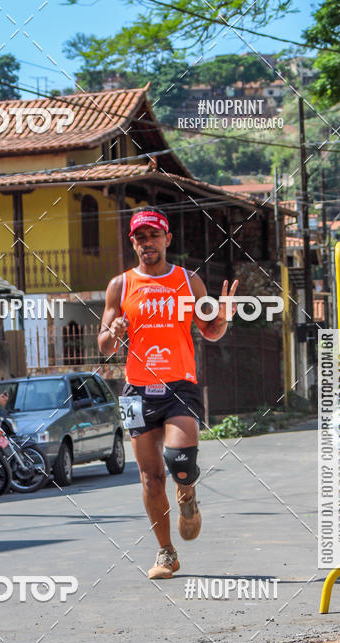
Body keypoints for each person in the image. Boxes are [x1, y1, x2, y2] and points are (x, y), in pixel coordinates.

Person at [98, 207, 238, 579]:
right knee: (149, 478)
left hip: (179, 384)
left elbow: (209, 331)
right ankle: (166, 553)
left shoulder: (188, 281)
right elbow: (104, 344)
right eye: (140, 238)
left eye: (153, 236)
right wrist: (115, 332)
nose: (147, 244)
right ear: (133, 243)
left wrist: (221, 317)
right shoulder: (120, 285)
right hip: (136, 391)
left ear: (167, 240)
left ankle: (187, 493)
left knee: (179, 461)